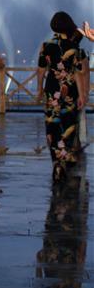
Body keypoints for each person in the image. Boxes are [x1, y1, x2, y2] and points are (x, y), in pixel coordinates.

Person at [36, 12, 86, 182]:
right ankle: (64, 161)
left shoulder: (46, 46)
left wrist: (39, 89)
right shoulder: (74, 47)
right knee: (68, 125)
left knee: (53, 124)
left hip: (52, 90)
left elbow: (41, 70)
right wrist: (82, 95)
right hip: (70, 90)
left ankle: (56, 163)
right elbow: (78, 73)